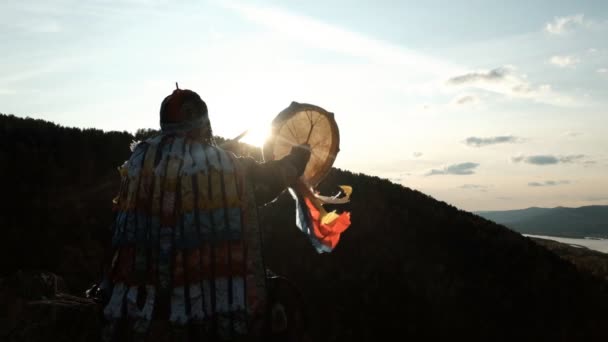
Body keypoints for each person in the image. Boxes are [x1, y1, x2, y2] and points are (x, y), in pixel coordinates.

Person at [100, 87, 311, 341]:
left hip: (138, 303)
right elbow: (268, 181)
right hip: (201, 307)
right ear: (203, 121)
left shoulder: (139, 160)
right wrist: (298, 158)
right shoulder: (223, 166)